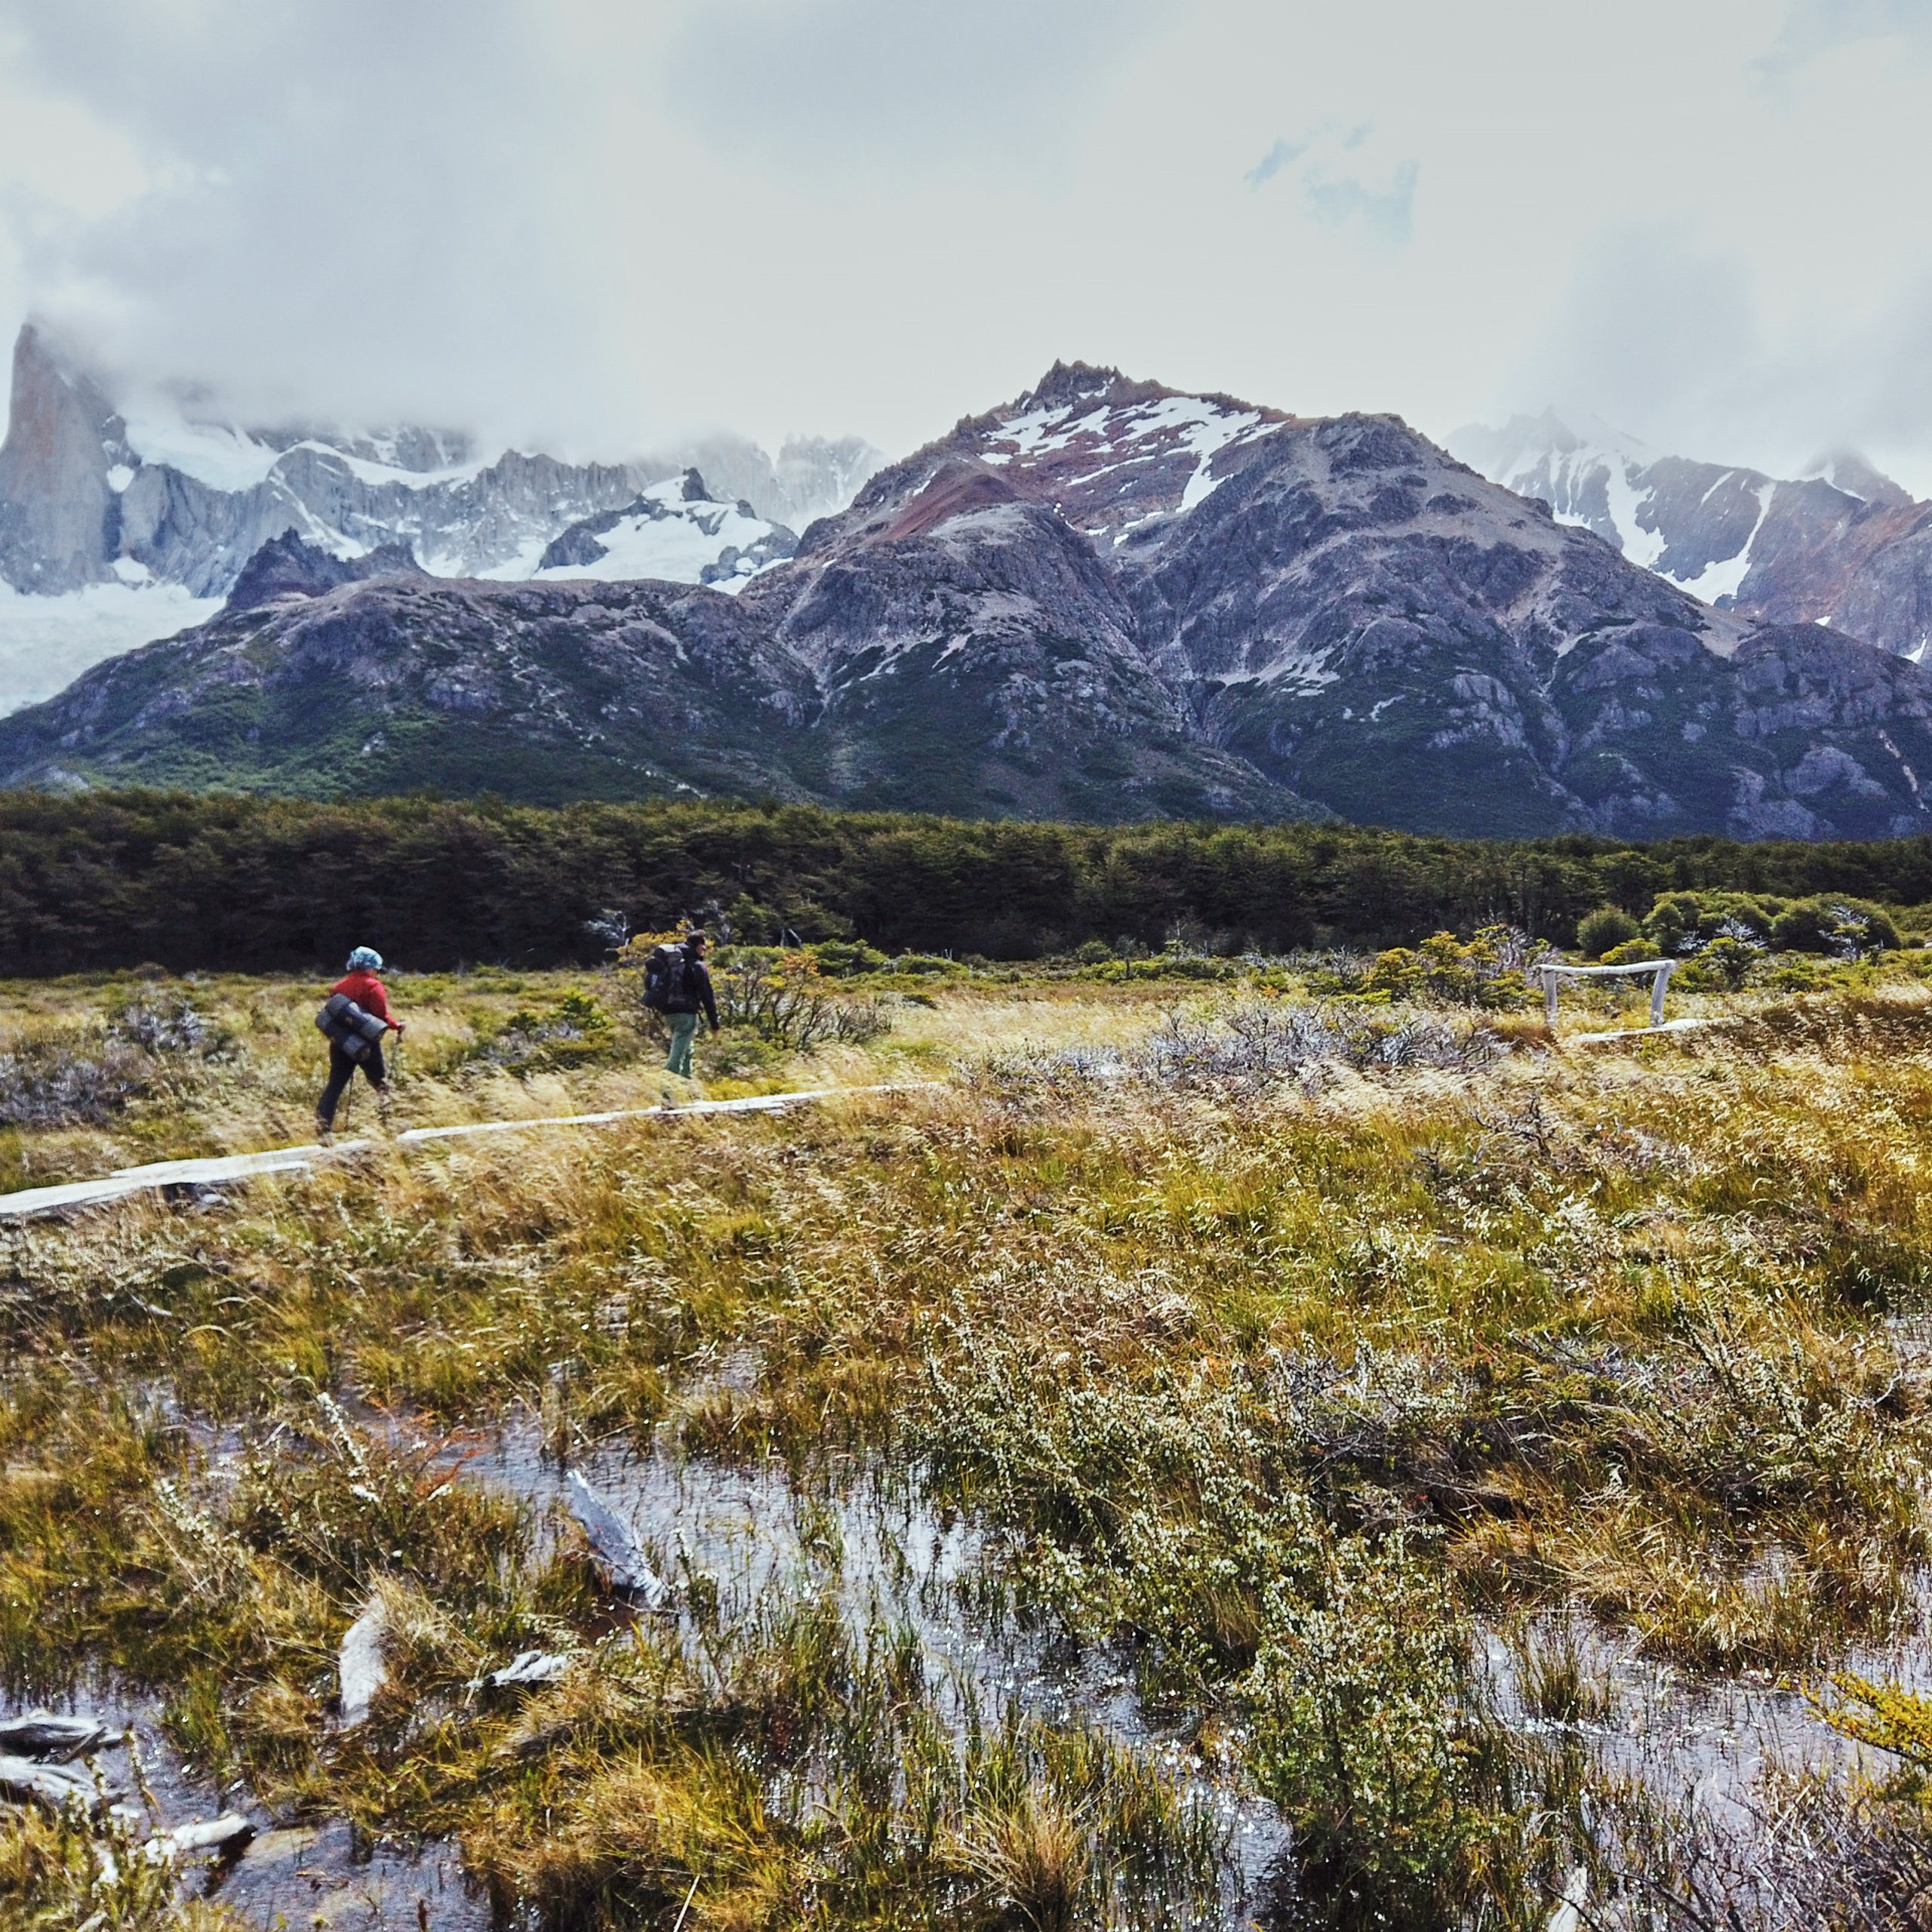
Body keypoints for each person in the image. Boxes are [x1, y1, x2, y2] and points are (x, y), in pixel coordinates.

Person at [316, 945, 405, 1141]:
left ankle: (324, 1130)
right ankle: (389, 1125)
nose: (376, 972)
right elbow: (380, 1016)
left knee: (335, 1085)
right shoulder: (373, 986)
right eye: (375, 968)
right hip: (367, 1044)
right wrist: (396, 1025)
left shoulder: (339, 987)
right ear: (369, 967)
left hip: (341, 1043)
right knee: (381, 1084)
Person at [664, 929, 719, 1079]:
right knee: (678, 1053)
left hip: (667, 1010)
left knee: (687, 1047)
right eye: (704, 948)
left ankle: (686, 1081)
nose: (705, 951)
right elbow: (707, 996)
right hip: (687, 1012)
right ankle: (668, 1087)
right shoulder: (697, 966)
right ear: (699, 947)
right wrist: (714, 1024)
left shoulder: (673, 963)